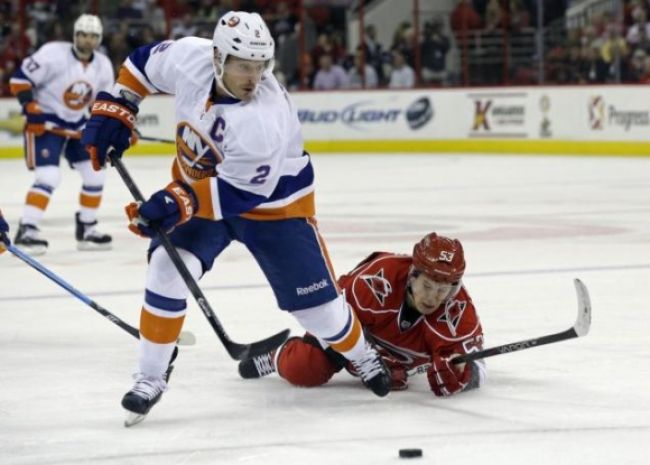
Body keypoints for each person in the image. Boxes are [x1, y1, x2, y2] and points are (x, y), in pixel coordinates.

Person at [80, 10, 391, 426]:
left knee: (321, 316)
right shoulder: (189, 58)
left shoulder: (264, 118)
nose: (253, 76)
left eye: (260, 66)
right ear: (218, 59)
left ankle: (362, 355)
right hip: (200, 191)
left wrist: (173, 204)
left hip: (274, 207)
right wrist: (119, 105)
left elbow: (241, 192)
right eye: (244, 65)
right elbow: (140, 65)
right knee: (165, 268)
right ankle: (150, 376)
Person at [239, 233, 487, 397]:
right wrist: (364, 356)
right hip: (356, 332)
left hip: (397, 362)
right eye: (428, 286)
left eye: (443, 290)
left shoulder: (457, 310)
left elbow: (478, 365)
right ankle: (276, 356)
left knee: (395, 379)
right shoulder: (377, 280)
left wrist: (464, 373)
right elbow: (332, 318)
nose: (433, 298)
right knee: (304, 367)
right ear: (413, 276)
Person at [9, 14, 115, 256]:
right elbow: (19, 79)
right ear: (75, 35)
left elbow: (103, 102)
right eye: (83, 35)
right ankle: (27, 228)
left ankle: (87, 227)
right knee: (49, 176)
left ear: (99, 39)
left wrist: (113, 128)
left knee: (95, 174)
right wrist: (30, 107)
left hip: (78, 126)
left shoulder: (103, 65)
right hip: (46, 124)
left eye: (93, 37)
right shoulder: (52, 54)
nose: (88, 40)